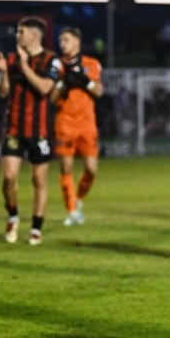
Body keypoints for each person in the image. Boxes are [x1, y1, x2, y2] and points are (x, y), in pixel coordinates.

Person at [0, 17, 60, 245]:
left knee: (38, 180)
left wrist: (24, 67)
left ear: (33, 35)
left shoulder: (52, 61)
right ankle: (13, 215)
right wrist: (3, 73)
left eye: (20, 32)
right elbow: (2, 93)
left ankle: (36, 228)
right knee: (9, 178)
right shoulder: (11, 59)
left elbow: (44, 88)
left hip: (39, 131)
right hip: (13, 128)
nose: (16, 36)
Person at [50, 27, 103, 226]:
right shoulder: (57, 66)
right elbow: (52, 98)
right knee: (67, 167)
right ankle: (71, 211)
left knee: (91, 170)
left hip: (87, 125)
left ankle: (78, 200)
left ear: (77, 42)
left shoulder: (91, 64)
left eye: (66, 40)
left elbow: (99, 92)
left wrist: (85, 81)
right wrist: (63, 83)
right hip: (65, 124)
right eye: (61, 40)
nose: (62, 44)